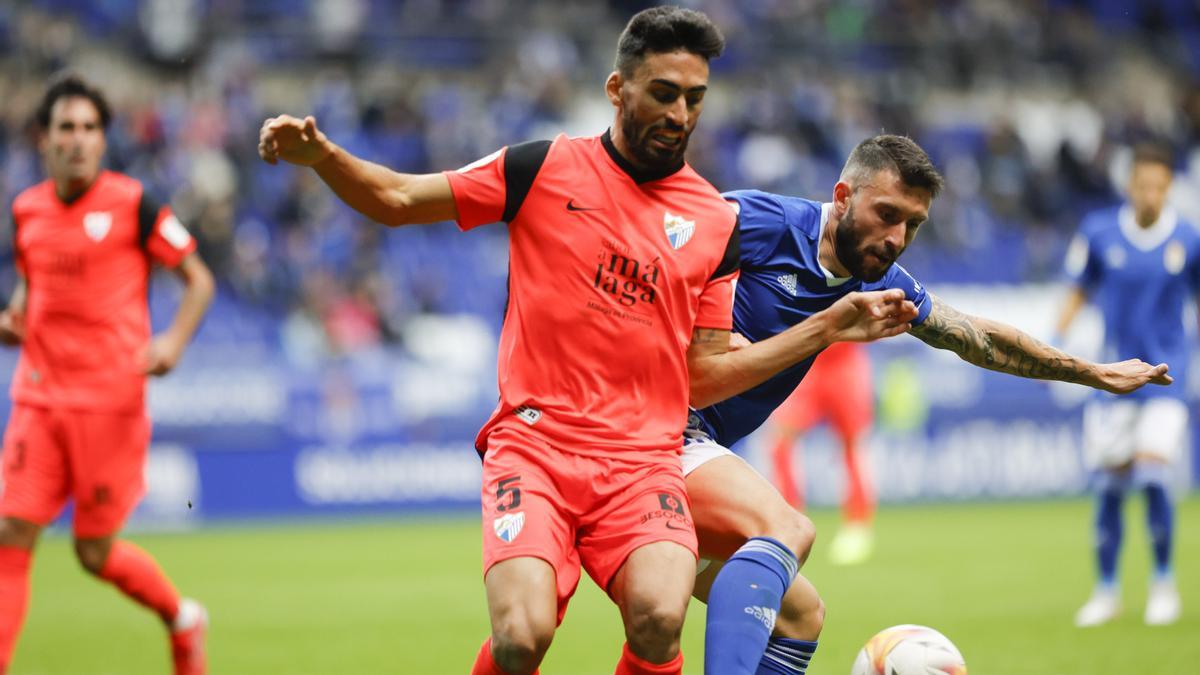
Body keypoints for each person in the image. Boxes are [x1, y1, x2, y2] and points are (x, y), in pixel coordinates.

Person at [259, 8, 917, 675]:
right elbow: (399, 198)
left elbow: (709, 369)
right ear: (617, 89)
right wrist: (325, 157)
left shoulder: (715, 222)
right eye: (663, 93)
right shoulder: (542, 167)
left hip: (642, 460)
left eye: (695, 99)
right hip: (537, 444)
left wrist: (824, 327)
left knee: (661, 617)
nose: (681, 114)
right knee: (523, 634)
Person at [682, 134, 1172, 675]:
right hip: (655, 426)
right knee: (785, 530)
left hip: (694, 443)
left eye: (912, 226)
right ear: (842, 196)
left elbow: (976, 337)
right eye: (887, 214)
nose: (896, 238)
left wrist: (1091, 373)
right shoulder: (757, 221)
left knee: (800, 615)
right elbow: (654, 255)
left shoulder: (886, 282)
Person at [0, 75, 214, 674]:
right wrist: (13, 317)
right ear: (43, 139)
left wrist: (171, 341)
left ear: (103, 140)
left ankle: (182, 619)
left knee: (92, 553)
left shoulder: (135, 204)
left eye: (90, 129)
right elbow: (30, 283)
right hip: (38, 396)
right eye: (66, 128)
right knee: (11, 532)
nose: (78, 140)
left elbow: (198, 279)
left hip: (109, 403)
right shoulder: (25, 210)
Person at [1056, 143, 1197, 628]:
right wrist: (1054, 342)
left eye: (1160, 186)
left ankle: (1162, 583)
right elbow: (1077, 289)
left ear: (1169, 188)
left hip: (1167, 378)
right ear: (1130, 186)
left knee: (1154, 474)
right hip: (1112, 377)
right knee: (1111, 487)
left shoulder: (1188, 238)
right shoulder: (1099, 233)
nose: (1151, 194)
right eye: (1143, 185)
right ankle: (1107, 590)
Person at [765, 341, 877, 565]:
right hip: (805, 361)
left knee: (852, 443)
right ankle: (789, 520)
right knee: (780, 441)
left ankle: (857, 527)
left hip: (844, 361)